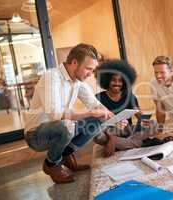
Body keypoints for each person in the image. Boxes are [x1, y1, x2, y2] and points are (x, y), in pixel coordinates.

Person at [24, 44, 116, 184]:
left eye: (92, 70)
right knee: (67, 126)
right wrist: (91, 112)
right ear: (74, 63)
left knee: (96, 120)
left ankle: (66, 154)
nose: (90, 74)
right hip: (36, 134)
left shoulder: (77, 82)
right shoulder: (51, 77)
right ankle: (51, 164)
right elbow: (55, 115)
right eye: (88, 69)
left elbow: (95, 105)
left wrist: (114, 118)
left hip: (60, 127)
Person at [94, 60, 159, 152]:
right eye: (113, 80)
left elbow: (138, 113)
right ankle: (141, 143)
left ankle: (123, 144)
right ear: (107, 80)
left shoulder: (128, 95)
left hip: (128, 130)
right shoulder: (98, 98)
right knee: (98, 136)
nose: (117, 83)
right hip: (110, 132)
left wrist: (145, 120)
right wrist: (110, 133)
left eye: (120, 80)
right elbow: (97, 123)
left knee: (155, 124)